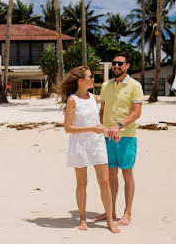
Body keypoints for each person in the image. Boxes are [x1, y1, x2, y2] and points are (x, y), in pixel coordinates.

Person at [58, 66, 120, 234]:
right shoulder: (72, 100)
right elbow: (68, 128)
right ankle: (83, 218)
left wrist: (110, 132)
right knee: (82, 183)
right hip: (79, 144)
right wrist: (90, 129)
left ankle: (109, 220)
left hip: (97, 143)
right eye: (90, 77)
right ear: (80, 80)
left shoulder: (94, 98)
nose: (93, 79)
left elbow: (97, 124)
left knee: (105, 182)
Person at [94, 52, 144, 226]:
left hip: (126, 137)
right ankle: (111, 211)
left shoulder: (135, 85)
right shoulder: (106, 85)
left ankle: (127, 212)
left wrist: (119, 126)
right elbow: (102, 110)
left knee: (127, 174)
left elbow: (136, 113)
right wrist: (99, 130)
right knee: (111, 175)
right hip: (107, 138)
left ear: (127, 66)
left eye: (120, 64)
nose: (116, 66)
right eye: (114, 63)